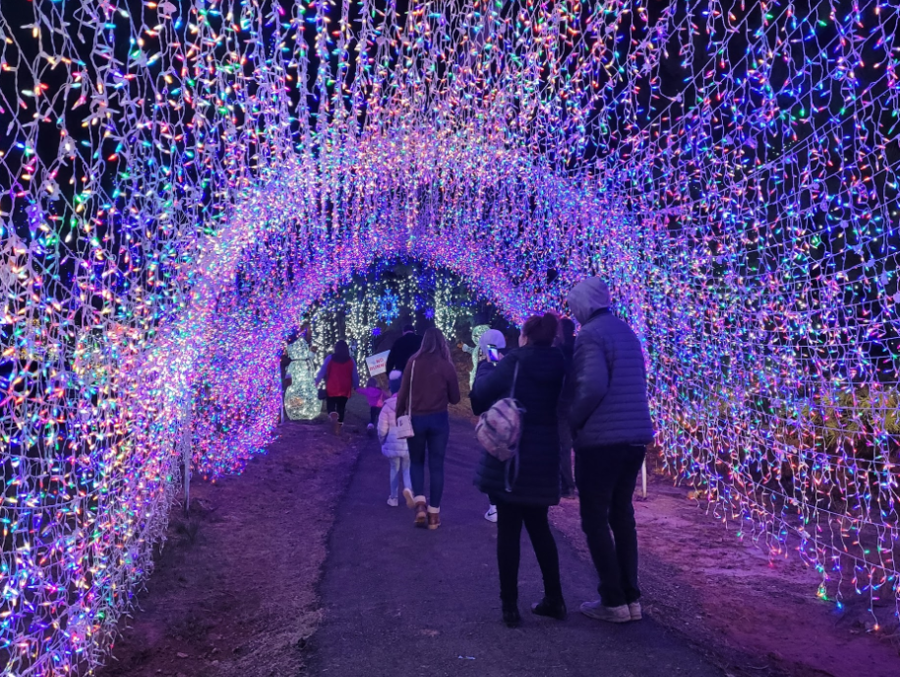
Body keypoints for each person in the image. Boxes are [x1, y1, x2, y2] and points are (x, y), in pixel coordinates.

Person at [567, 278, 654, 624]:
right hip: (635, 438)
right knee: (622, 515)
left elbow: (591, 385)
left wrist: (574, 420)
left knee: (594, 519)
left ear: (583, 306)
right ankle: (631, 599)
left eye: (574, 308)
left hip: (603, 439)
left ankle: (613, 600)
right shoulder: (625, 331)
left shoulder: (590, 334)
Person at [471, 313, 567, 628]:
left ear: (524, 335)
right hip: (544, 457)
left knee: (509, 531)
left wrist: (486, 365)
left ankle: (509, 606)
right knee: (540, 527)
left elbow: (478, 398)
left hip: (511, 457)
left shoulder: (513, 361)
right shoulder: (562, 363)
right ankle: (555, 598)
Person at [396, 327, 461, 529]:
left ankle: (420, 505)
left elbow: (403, 393)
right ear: (442, 343)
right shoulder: (447, 366)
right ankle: (434, 516)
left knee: (416, 462)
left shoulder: (413, 363)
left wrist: (399, 414)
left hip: (416, 419)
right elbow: (456, 398)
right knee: (436, 466)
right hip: (439, 420)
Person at [469, 328, 507, 524]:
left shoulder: (489, 364)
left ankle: (495, 507)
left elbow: (478, 398)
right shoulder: (511, 360)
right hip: (513, 419)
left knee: (493, 463)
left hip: (493, 418)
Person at [377, 371, 413, 507]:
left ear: (391, 388)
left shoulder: (387, 407)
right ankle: (409, 489)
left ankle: (393, 498)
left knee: (394, 469)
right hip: (408, 442)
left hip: (392, 442)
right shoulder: (409, 405)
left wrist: (382, 441)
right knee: (407, 468)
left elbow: (381, 429)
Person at [315, 340, 359, 435]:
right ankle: (338, 428)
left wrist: (317, 381)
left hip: (332, 387)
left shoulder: (330, 358)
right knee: (341, 407)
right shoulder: (351, 361)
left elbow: (322, 371)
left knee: (331, 406)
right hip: (345, 388)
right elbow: (355, 375)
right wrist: (356, 386)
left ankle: (332, 415)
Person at [556, 317, 577, 498]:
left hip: (562, 402)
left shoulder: (559, 351)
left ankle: (567, 486)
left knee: (563, 445)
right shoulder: (581, 348)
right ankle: (577, 483)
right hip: (580, 401)